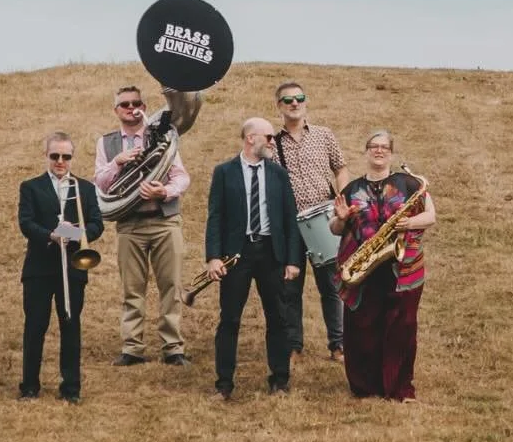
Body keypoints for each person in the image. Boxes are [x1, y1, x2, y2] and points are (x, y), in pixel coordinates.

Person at [330, 130, 436, 402]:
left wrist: (409, 223)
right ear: (366, 151)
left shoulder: (410, 183)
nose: (379, 151)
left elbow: (430, 216)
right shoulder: (351, 189)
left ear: (391, 152)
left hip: (402, 266)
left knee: (402, 327)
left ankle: (400, 387)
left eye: (384, 147)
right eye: (373, 146)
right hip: (364, 266)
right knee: (362, 327)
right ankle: (365, 386)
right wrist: (341, 219)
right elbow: (335, 228)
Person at [93, 85, 191, 366]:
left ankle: (173, 348)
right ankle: (132, 348)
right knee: (132, 289)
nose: (131, 108)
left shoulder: (161, 135)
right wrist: (117, 163)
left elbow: (182, 177)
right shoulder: (107, 143)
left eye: (137, 103)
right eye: (125, 104)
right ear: (116, 111)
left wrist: (165, 192)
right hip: (129, 224)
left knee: (171, 286)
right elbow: (99, 184)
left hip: (164, 221)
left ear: (144, 107)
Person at [204, 118, 301, 399]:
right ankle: (224, 385)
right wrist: (213, 257)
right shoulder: (224, 172)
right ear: (250, 139)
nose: (273, 142)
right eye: (269, 137)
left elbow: (289, 219)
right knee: (230, 319)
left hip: (271, 253)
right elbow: (215, 217)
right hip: (238, 254)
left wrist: (292, 260)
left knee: (278, 318)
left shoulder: (278, 174)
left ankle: (280, 380)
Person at [18, 132, 105, 403]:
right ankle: (30, 386)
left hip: (73, 266)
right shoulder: (30, 187)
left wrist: (77, 233)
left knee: (71, 327)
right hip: (40, 269)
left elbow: (96, 224)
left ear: (71, 158)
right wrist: (50, 235)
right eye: (55, 155)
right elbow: (26, 222)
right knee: (35, 327)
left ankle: (71, 389)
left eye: (66, 156)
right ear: (46, 155)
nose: (60, 161)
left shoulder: (86, 188)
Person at [270, 79, 350, 363]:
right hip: (290, 225)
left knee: (331, 286)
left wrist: (341, 199)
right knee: (290, 288)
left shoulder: (324, 135)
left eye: (299, 98)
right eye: (288, 100)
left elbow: (340, 169)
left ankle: (338, 344)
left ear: (305, 102)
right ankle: (294, 345)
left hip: (324, 221)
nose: (295, 103)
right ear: (278, 106)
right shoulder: (272, 143)